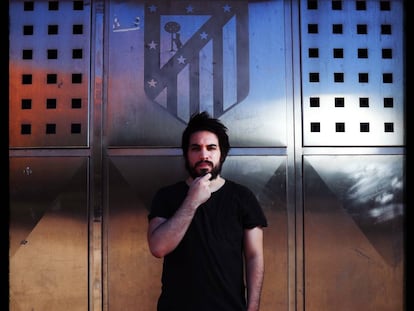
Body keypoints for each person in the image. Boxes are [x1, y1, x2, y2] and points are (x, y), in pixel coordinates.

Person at [147, 111, 268, 311]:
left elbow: (254, 255)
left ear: (222, 153)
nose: (204, 155)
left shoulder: (242, 197)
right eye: (196, 148)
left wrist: (253, 307)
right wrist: (191, 201)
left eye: (211, 148)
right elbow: (158, 248)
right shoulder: (166, 196)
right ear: (187, 154)